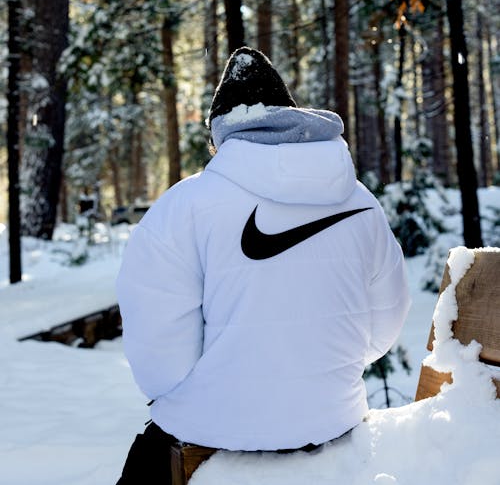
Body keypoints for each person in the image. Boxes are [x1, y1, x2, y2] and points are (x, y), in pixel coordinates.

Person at [115, 46, 411, 484]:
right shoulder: (361, 201)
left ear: (220, 134)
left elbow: (159, 361)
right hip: (335, 421)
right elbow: (384, 328)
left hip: (212, 429)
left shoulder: (184, 206)